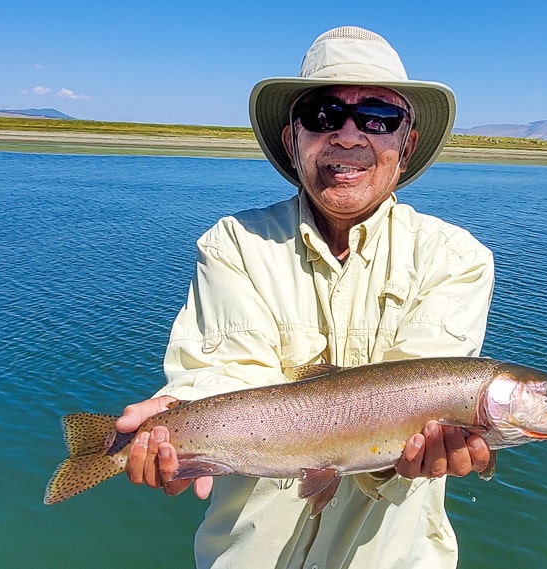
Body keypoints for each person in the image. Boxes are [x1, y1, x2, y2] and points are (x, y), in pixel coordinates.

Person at [116, 26, 495, 568]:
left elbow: (418, 403)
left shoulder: (456, 258)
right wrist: (179, 426)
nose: (347, 135)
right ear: (293, 138)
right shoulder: (234, 245)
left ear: (405, 145)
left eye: (377, 117)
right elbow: (222, 376)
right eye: (322, 114)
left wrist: (434, 444)